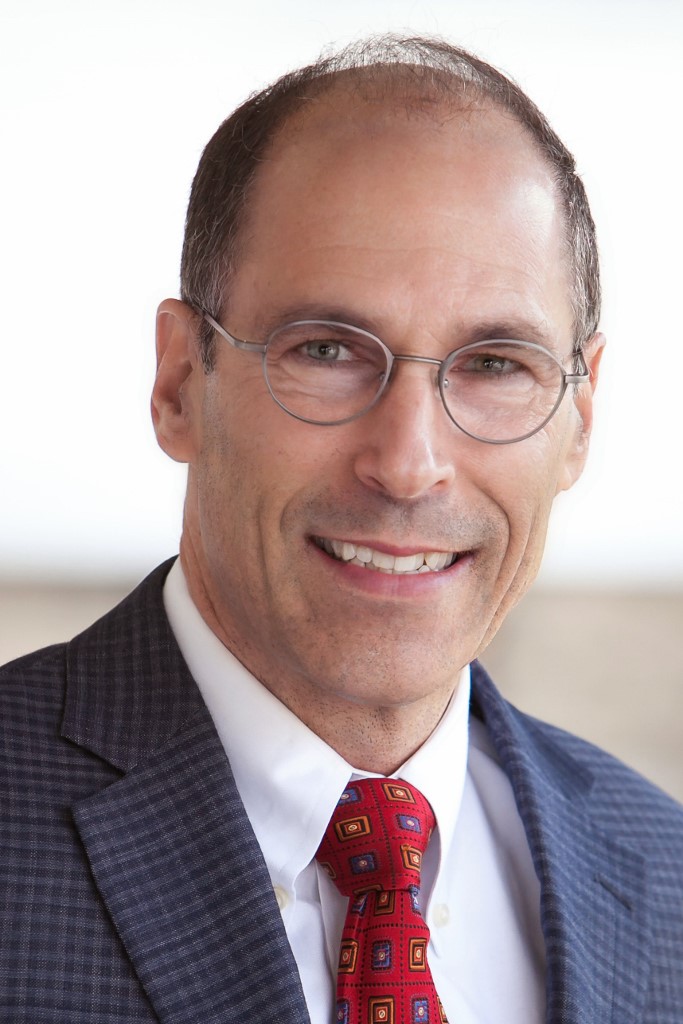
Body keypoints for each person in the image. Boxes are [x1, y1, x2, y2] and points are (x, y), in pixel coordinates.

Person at [1, 35, 681, 1024]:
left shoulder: (664, 880)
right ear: (180, 382)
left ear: (577, 420)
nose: (407, 463)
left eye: (495, 365)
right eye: (325, 350)